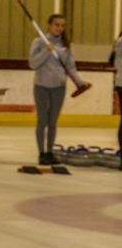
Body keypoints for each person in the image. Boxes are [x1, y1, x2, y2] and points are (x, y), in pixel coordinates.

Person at [29, 14, 84, 168]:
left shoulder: (66, 45)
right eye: (56, 25)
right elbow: (33, 64)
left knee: (53, 122)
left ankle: (50, 152)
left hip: (59, 87)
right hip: (41, 86)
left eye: (62, 25)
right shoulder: (39, 42)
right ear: (49, 25)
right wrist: (46, 51)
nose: (59, 28)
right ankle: (41, 153)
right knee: (42, 121)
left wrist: (80, 83)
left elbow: (70, 67)